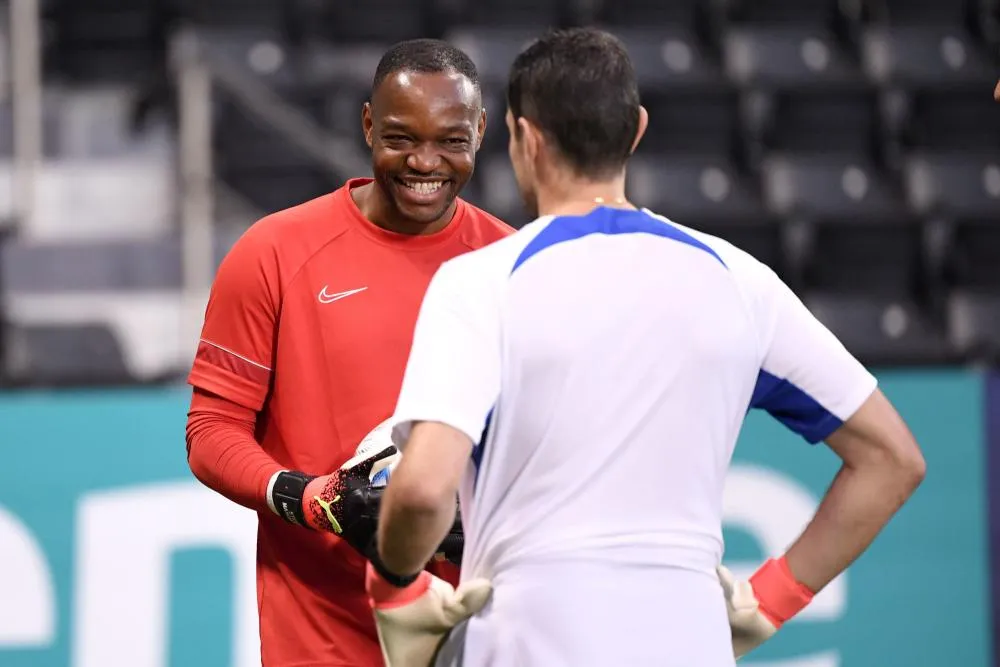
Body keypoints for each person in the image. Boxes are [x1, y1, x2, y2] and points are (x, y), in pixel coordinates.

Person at [364, 27, 927, 666]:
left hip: (529, 637)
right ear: (635, 129)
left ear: (525, 138)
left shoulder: (482, 282)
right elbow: (891, 459)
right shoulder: (740, 282)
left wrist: (395, 589)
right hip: (688, 641)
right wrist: (768, 600)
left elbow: (420, 492)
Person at [184, 38, 513, 667]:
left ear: (481, 130)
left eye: (451, 140)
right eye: (399, 137)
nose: (425, 162)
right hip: (320, 638)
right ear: (367, 125)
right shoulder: (273, 252)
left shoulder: (511, 267)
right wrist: (312, 500)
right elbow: (211, 433)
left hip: (475, 634)